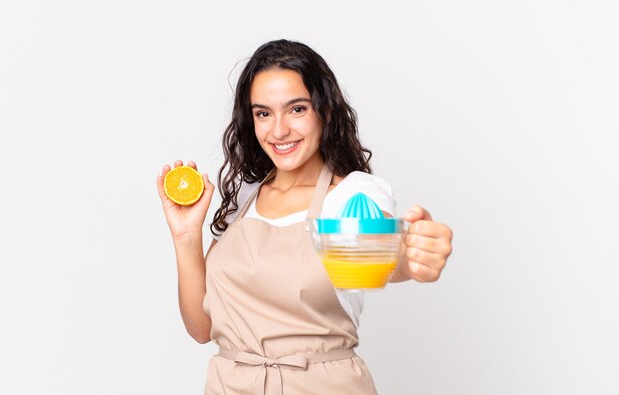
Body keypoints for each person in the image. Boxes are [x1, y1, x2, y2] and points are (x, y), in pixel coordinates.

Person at [156, 39, 453, 395]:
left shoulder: (351, 195)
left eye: (296, 109)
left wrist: (412, 256)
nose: (279, 130)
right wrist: (186, 237)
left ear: (324, 111)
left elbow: (373, 257)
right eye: (263, 113)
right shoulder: (245, 198)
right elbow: (202, 328)